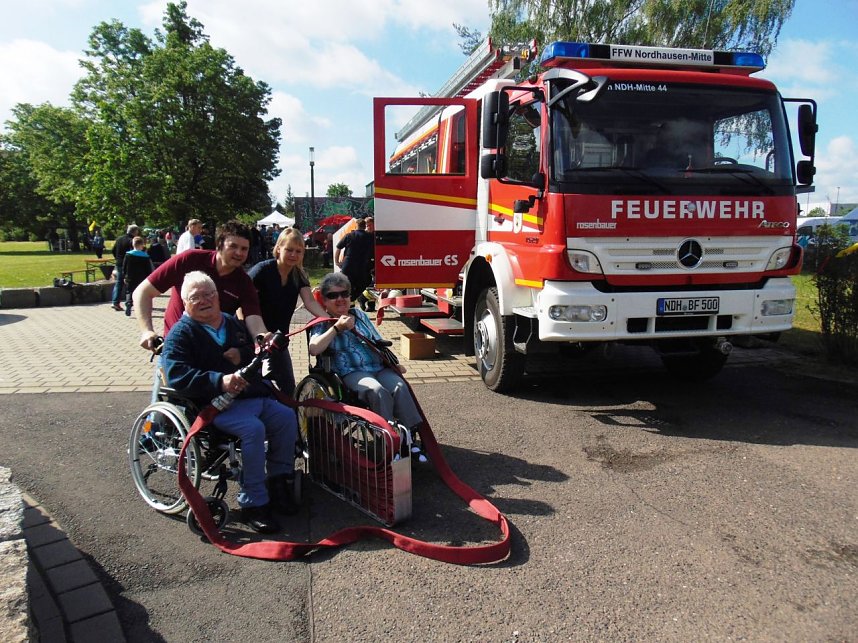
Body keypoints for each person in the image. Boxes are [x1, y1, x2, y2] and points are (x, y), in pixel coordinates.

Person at [161, 271, 298, 533]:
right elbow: (177, 374)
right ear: (185, 302)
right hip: (215, 405)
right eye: (196, 297)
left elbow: (251, 353)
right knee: (253, 430)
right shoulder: (181, 334)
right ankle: (253, 502)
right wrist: (219, 380)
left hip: (251, 395)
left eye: (209, 294)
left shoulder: (231, 323)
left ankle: (278, 483)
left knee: (286, 417)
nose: (205, 300)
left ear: (218, 296)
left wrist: (243, 353)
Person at [309, 272, 425, 459]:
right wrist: (336, 328)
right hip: (350, 372)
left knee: (400, 386)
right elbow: (314, 348)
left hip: (377, 367)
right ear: (324, 300)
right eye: (333, 295)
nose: (340, 299)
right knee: (376, 390)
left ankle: (408, 438)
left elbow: (377, 341)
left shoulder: (359, 315)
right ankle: (389, 439)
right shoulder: (322, 323)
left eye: (344, 294)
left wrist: (395, 363)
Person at [133, 220, 268, 349]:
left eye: (244, 249)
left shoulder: (244, 282)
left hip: (213, 353)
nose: (239, 253)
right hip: (177, 349)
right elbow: (143, 292)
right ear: (219, 244)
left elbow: (254, 318)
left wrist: (262, 337)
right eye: (233, 246)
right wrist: (147, 331)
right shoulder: (189, 260)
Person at [248, 228, 328, 395]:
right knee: (254, 384)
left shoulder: (299, 275)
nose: (293, 254)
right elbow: (243, 302)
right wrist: (258, 334)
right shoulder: (262, 270)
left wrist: (328, 319)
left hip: (279, 339)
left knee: (287, 386)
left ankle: (289, 417)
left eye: (298, 251)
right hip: (253, 338)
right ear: (278, 249)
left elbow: (309, 301)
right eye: (289, 250)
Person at [335, 217, 374, 305]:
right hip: (362, 266)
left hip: (348, 265)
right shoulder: (370, 237)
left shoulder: (349, 235)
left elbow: (338, 247)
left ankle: (349, 303)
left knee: (347, 286)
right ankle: (354, 298)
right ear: (365, 226)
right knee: (365, 283)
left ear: (356, 226)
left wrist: (337, 261)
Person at [111, 224, 141, 311]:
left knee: (119, 283)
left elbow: (113, 250)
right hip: (128, 264)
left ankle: (115, 301)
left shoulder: (119, 239)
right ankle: (131, 301)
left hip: (119, 263)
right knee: (131, 284)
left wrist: (117, 258)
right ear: (135, 232)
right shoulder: (132, 241)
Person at [123, 236, 155, 317]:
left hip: (130, 277)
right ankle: (141, 309)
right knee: (141, 293)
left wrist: (124, 276)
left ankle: (128, 304)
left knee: (129, 291)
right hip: (142, 278)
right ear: (142, 245)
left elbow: (124, 266)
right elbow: (148, 269)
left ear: (133, 244)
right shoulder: (145, 256)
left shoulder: (128, 255)